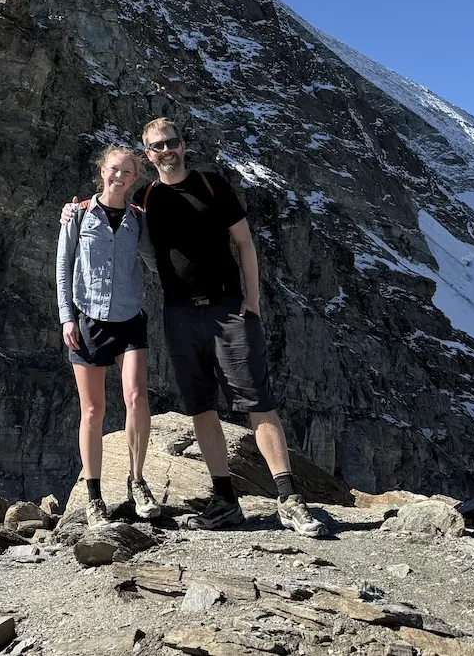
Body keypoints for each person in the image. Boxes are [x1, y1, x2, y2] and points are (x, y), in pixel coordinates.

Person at [64, 119, 324, 538]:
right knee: (200, 406)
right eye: (155, 146)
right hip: (179, 313)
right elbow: (128, 242)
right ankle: (225, 500)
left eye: (170, 143)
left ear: (183, 146)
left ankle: (289, 498)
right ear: (147, 156)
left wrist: (252, 302)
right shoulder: (146, 200)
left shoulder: (212, 186)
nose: (164, 151)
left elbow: (244, 243)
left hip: (227, 308)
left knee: (256, 400)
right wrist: (75, 213)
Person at [56, 145, 162, 527]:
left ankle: (137, 481)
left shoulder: (138, 220)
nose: (120, 177)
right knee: (93, 411)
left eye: (128, 173)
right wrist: (67, 318)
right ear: (102, 171)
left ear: (136, 179)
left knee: (136, 397)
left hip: (130, 317)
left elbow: (155, 260)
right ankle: (94, 495)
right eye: (114, 170)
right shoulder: (79, 214)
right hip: (89, 320)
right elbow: (64, 266)